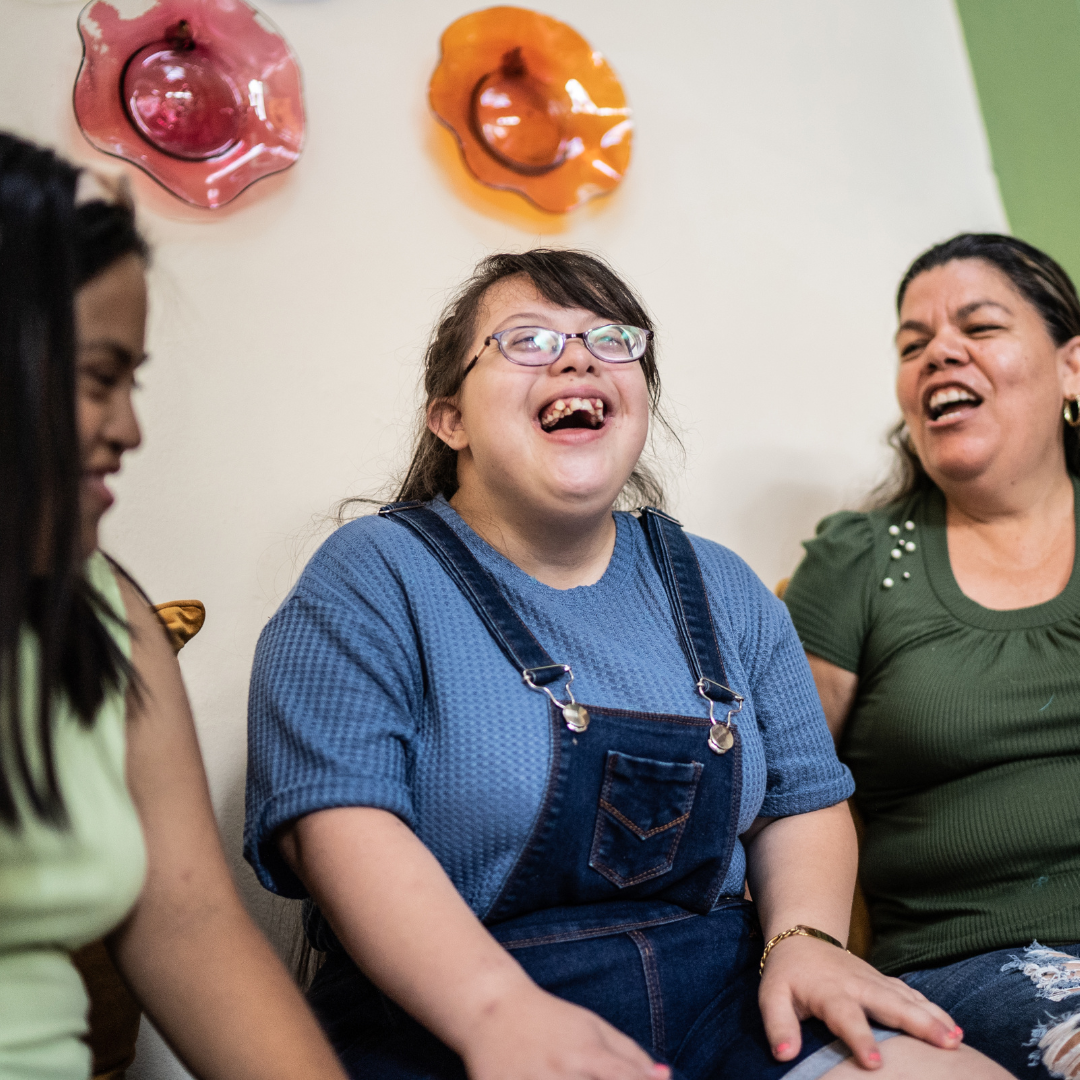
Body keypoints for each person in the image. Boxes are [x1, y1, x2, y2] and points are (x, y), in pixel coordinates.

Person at [245, 248, 1008, 1079]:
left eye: (611, 340)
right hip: (450, 1016)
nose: (577, 357)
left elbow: (803, 802)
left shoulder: (722, 585)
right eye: (527, 340)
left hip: (726, 1005)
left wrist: (806, 943)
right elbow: (335, 827)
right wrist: (493, 1010)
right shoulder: (371, 573)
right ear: (449, 418)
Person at [0, 132, 348, 1080]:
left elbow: (190, 925)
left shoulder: (106, 616)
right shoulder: (373, 576)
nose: (129, 429)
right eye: (97, 379)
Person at [783, 233, 1080, 1079]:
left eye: (979, 327)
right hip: (981, 963)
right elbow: (778, 784)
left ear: (1072, 368)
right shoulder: (863, 560)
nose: (939, 351)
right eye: (913, 345)